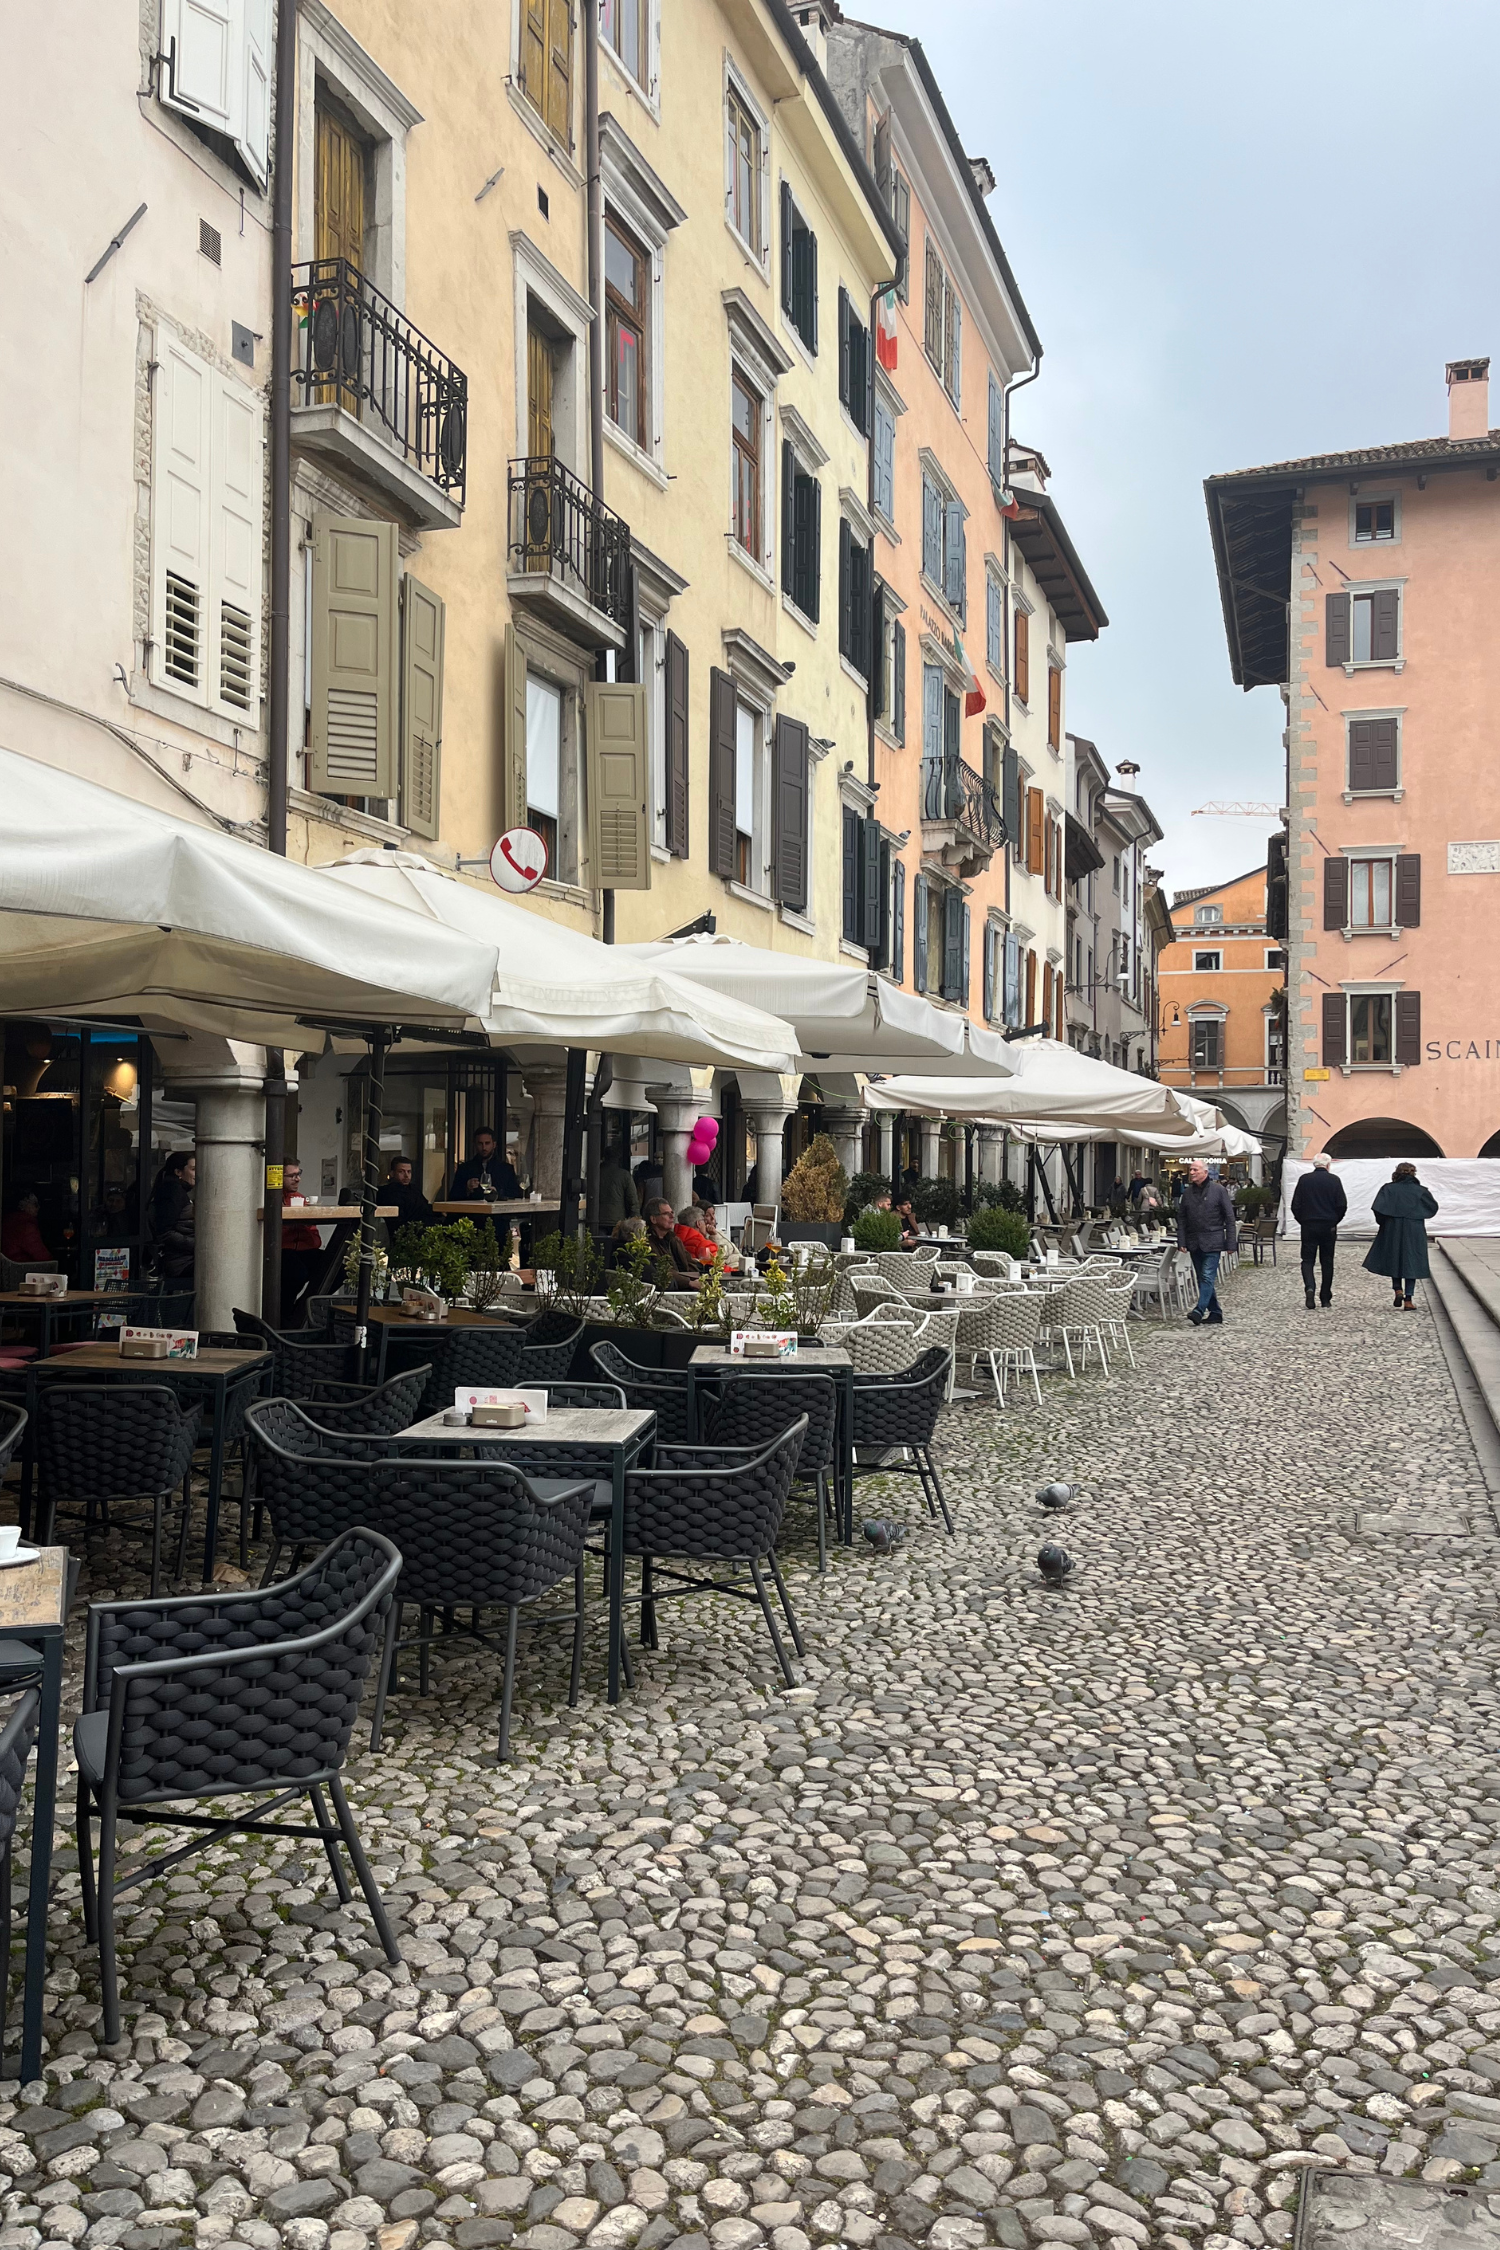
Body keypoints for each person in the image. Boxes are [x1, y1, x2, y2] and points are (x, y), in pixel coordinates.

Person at [1364, 1161, 1439, 1309]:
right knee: (1411, 1261)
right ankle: (1408, 1299)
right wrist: (1417, 1215)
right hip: (1414, 1228)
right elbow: (1432, 1208)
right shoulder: (1421, 1191)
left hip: (1392, 1226)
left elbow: (1378, 1208)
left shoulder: (1388, 1189)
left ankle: (1398, 1289)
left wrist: (1383, 1222)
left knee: (1395, 1258)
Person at [1176, 1158, 1238, 1327]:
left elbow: (1229, 1217)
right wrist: (1181, 1240)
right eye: (1190, 1170)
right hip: (1194, 1241)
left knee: (1207, 1276)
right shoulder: (1187, 1193)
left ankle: (1199, 1310)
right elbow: (1181, 1218)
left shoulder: (1218, 1190)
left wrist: (1231, 1243)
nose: (1192, 1172)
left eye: (1195, 1169)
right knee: (1201, 1278)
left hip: (1213, 1240)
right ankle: (1216, 1312)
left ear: (1205, 1172)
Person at [1290, 1153, 1348, 1309]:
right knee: (1327, 1261)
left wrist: (1302, 1220)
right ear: (1328, 1165)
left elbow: (1295, 1204)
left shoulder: (1304, 1180)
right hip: (1328, 1225)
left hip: (1309, 1224)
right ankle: (1325, 1296)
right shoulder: (1334, 1180)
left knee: (1307, 1260)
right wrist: (1334, 1220)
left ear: (1314, 1164)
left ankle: (1310, 1287)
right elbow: (1342, 1205)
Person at [278, 1160, 325, 1320]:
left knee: (339, 1267)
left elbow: (315, 1237)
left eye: (298, 1174)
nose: (297, 1179)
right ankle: (287, 1313)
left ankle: (304, 1307)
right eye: (291, 1175)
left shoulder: (300, 1199)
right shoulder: (268, 1198)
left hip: (304, 1250)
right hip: (282, 1250)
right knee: (297, 1273)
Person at [146, 1151, 196, 1284]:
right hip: (181, 1263)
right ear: (178, 1172)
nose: (197, 1174)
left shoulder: (175, 1191)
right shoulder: (173, 1193)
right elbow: (165, 1232)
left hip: (183, 1260)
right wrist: (198, 1245)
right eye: (193, 1169)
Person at [448, 1127, 521, 1203]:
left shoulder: (506, 1169)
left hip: (498, 1213)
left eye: (487, 1143)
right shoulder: (464, 1169)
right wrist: (466, 1188)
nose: (484, 1148)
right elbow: (452, 1197)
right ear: (475, 1145)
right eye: (480, 1143)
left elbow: (515, 1194)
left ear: (494, 1144)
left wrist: (498, 1192)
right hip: (474, 1213)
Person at [642, 1197, 701, 1288]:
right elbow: (662, 1271)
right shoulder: (647, 1243)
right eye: (666, 1213)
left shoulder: (674, 1239)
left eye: (672, 1212)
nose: (672, 1216)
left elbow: (690, 1263)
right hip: (671, 1292)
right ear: (653, 1219)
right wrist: (689, 1283)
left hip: (687, 1289)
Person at [384, 1155, 435, 1232]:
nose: (406, 1176)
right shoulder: (387, 1193)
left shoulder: (414, 1189)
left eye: (409, 1172)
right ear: (392, 1173)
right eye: (401, 1172)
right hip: (405, 1232)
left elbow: (425, 1207)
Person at [1, 1191, 51, 1266]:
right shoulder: (27, 1227)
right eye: (35, 1204)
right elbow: (42, 1256)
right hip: (22, 1270)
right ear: (24, 1205)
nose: (38, 1207)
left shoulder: (7, 1221)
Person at [597, 1151, 640, 1230]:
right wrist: (636, 1219)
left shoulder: (597, 1173)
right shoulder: (625, 1175)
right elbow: (632, 1199)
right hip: (618, 1219)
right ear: (618, 1160)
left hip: (597, 1218)